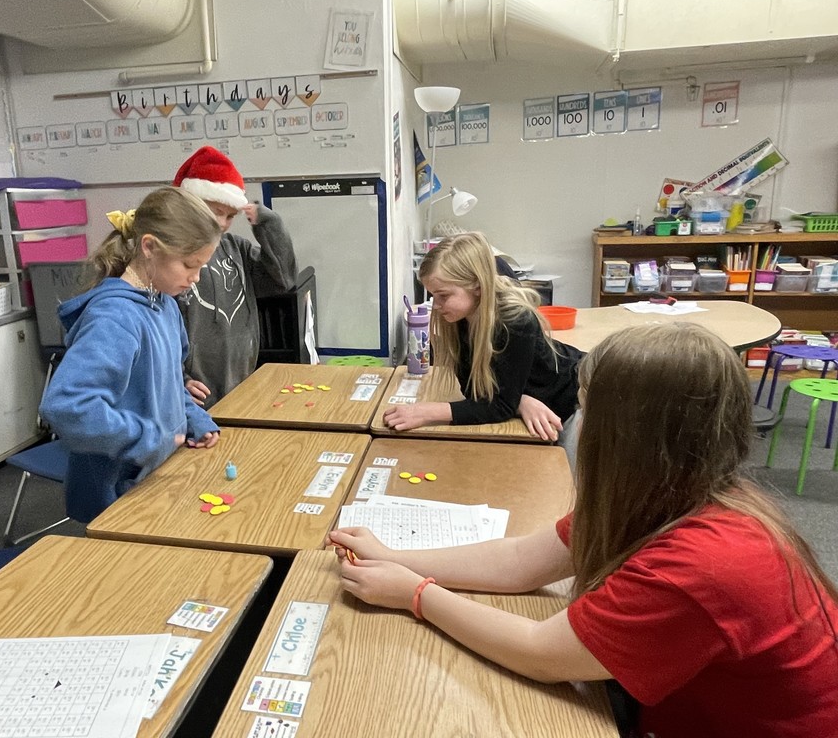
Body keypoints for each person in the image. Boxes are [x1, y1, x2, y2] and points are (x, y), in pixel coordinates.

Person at [330, 323, 838, 737]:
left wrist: (415, 595)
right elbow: (521, 563)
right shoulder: (663, 493)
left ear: (626, 433)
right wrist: (397, 556)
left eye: (586, 405)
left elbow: (541, 653)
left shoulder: (706, 561)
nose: (578, 418)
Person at [40, 187, 222, 523]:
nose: (195, 279)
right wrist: (148, 437)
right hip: (115, 493)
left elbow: (168, 382)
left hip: (155, 475)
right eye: (188, 265)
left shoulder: (164, 303)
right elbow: (67, 405)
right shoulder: (115, 319)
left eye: (201, 268)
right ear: (149, 247)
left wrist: (192, 419)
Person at [384, 231, 581, 443]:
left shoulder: (516, 321)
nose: (436, 305)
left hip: (574, 397)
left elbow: (499, 405)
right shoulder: (460, 317)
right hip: (532, 405)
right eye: (433, 296)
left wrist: (427, 412)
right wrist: (519, 402)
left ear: (477, 287)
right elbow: (475, 392)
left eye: (444, 295)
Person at [173, 146, 297, 408]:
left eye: (230, 216)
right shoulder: (170, 260)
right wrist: (178, 378)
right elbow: (157, 331)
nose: (222, 223)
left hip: (241, 383)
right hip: (195, 397)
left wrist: (268, 224)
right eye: (216, 211)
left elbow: (283, 278)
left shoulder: (236, 249)